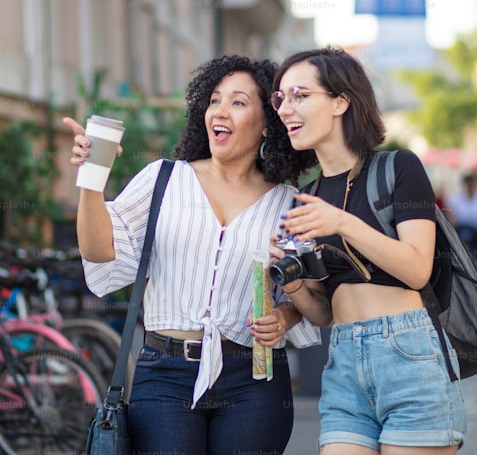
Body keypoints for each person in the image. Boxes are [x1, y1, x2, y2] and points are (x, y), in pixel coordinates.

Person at [65, 55, 322, 455]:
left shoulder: (290, 205)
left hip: (254, 378)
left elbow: (307, 300)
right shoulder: (164, 179)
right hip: (164, 374)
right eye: (214, 100)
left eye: (238, 102)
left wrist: (283, 317)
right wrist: (91, 180)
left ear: (268, 123)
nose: (219, 111)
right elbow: (99, 251)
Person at [269, 47, 466, 454]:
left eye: (300, 95)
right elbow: (324, 313)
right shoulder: (305, 198)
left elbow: (417, 269)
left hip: (408, 356)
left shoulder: (399, 168)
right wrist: (292, 284)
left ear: (341, 101)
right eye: (281, 98)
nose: (286, 108)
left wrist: (342, 223)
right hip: (342, 364)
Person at [448, 173, 477, 276]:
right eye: (468, 183)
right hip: (461, 231)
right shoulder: (456, 197)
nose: (470, 185)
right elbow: (451, 213)